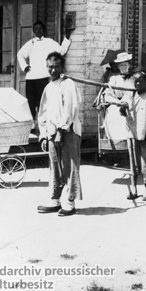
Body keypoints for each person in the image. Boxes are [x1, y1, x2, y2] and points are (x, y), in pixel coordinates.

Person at [36, 52, 82, 216]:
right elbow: (43, 112)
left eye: (56, 66)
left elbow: (70, 108)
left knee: (68, 166)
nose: (52, 70)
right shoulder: (49, 87)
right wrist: (44, 134)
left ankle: (70, 202)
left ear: (62, 66)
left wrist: (61, 131)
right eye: (49, 66)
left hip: (68, 131)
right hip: (52, 133)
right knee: (54, 167)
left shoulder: (68, 84)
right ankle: (55, 200)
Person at [17, 21, 72, 124]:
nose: (39, 31)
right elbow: (20, 54)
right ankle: (32, 124)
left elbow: (62, 50)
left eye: (41, 28)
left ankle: (45, 123)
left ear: (44, 30)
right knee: (31, 102)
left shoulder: (49, 42)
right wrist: (24, 67)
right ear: (34, 31)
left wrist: (67, 37)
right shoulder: (30, 43)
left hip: (44, 77)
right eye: (36, 29)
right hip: (31, 78)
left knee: (44, 102)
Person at [121, 70, 146, 201]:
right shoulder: (129, 95)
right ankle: (133, 189)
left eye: (140, 81)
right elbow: (123, 112)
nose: (137, 84)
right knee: (133, 162)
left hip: (145, 132)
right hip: (131, 132)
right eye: (135, 81)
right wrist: (122, 108)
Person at [102, 52, 135, 146]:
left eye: (125, 64)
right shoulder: (114, 79)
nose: (124, 67)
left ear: (129, 65)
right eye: (121, 65)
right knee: (115, 115)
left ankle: (130, 143)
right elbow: (107, 96)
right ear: (118, 67)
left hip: (131, 105)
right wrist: (118, 102)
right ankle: (118, 144)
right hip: (117, 104)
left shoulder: (133, 78)